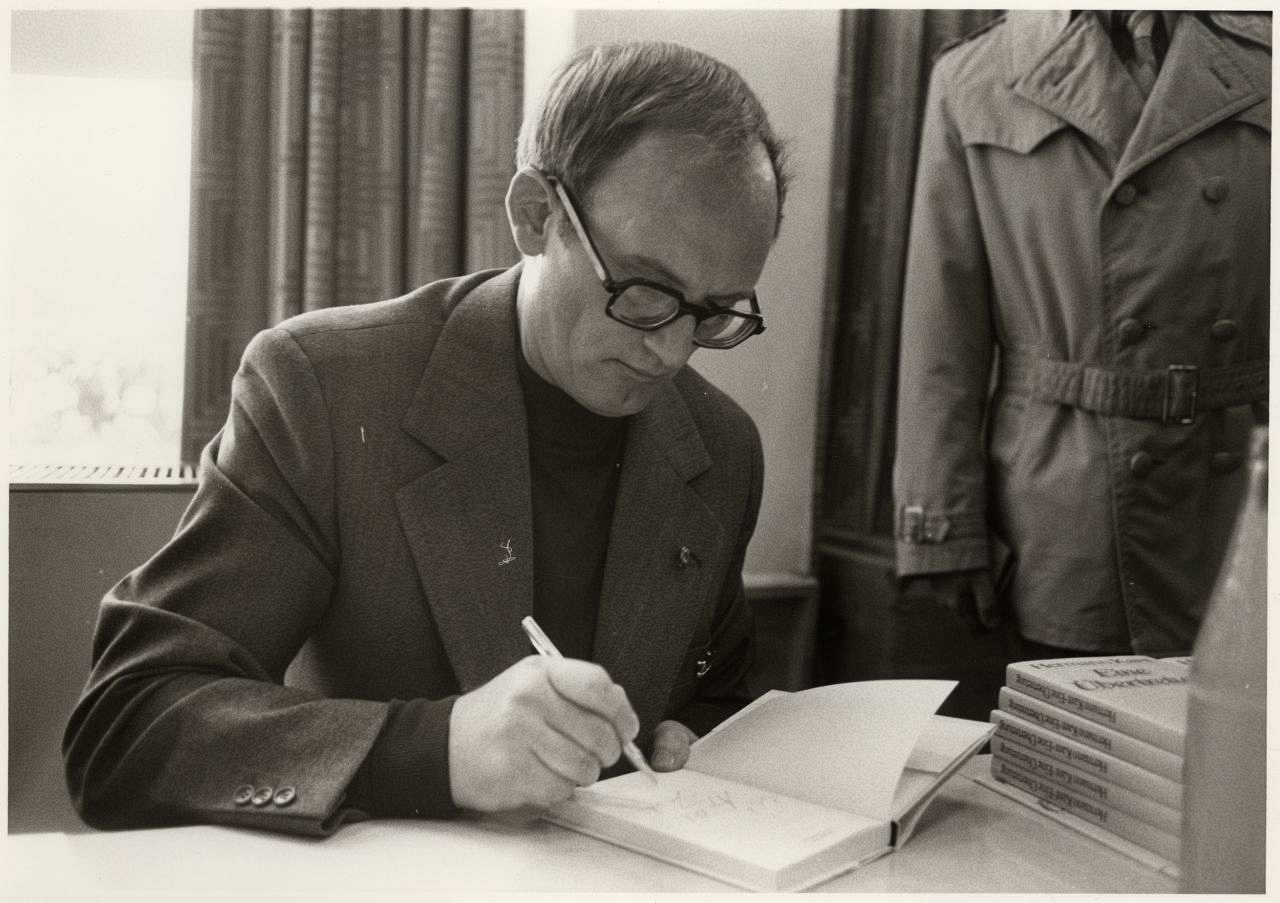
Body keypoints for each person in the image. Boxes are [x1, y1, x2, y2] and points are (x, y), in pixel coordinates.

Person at [64, 41, 788, 835]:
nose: (672, 350)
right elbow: (125, 727)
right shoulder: (321, 387)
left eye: (716, 312)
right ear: (536, 216)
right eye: (645, 291)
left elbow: (713, 690)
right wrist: (438, 748)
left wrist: (697, 740)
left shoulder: (721, 445)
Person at [894, 10, 1269, 658]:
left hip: (1239, 495)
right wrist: (943, 528)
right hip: (1066, 503)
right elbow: (941, 334)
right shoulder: (975, 77)